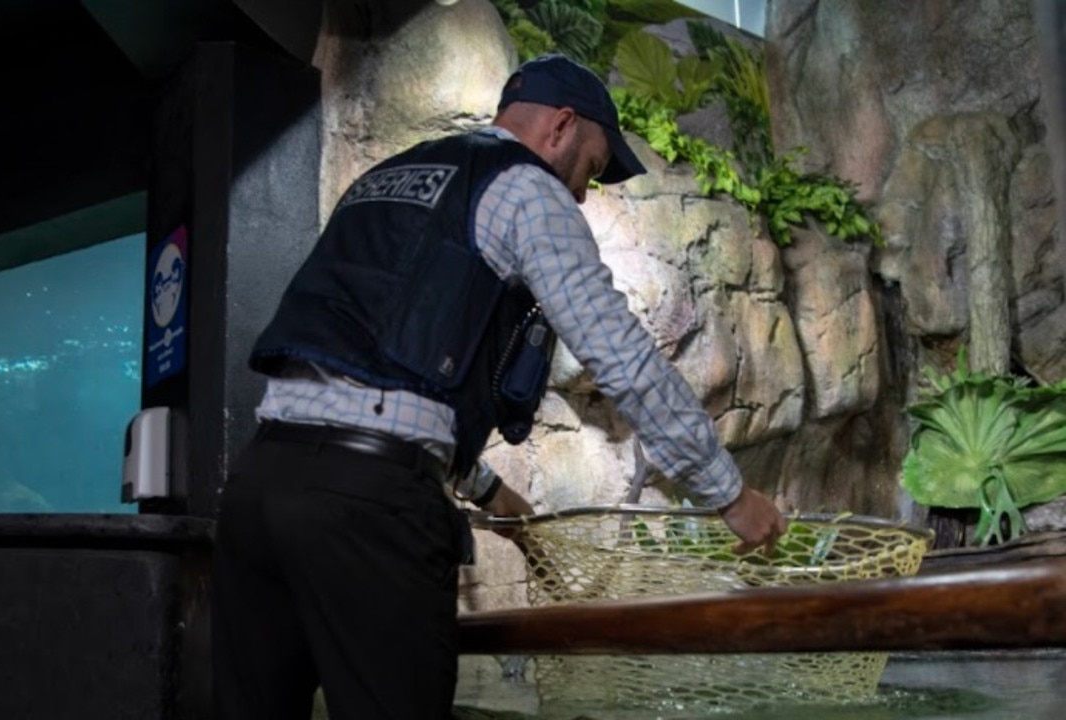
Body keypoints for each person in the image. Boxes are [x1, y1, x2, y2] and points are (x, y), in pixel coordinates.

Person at [209, 53, 788, 720]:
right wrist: (727, 493)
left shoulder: (392, 175)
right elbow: (620, 354)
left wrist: (483, 487)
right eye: (592, 169)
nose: (580, 193)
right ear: (561, 127)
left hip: (258, 489)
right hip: (367, 516)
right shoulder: (526, 189)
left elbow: (373, 374)